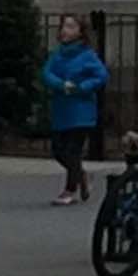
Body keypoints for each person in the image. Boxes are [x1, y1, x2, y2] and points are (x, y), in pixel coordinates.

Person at [41, 14, 108, 206]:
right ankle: (81, 174)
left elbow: (101, 76)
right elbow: (46, 73)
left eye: (71, 26)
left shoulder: (87, 55)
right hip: (62, 109)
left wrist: (82, 87)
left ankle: (70, 189)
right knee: (58, 150)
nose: (65, 30)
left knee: (72, 150)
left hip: (81, 111)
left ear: (80, 32)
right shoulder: (58, 54)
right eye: (63, 26)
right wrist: (61, 85)